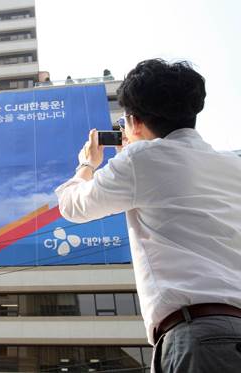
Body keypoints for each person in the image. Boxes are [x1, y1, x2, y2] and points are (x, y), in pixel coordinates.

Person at [55, 59, 241, 372]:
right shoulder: (232, 164)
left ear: (134, 121)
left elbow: (73, 206)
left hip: (199, 334)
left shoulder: (141, 159)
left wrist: (87, 164)